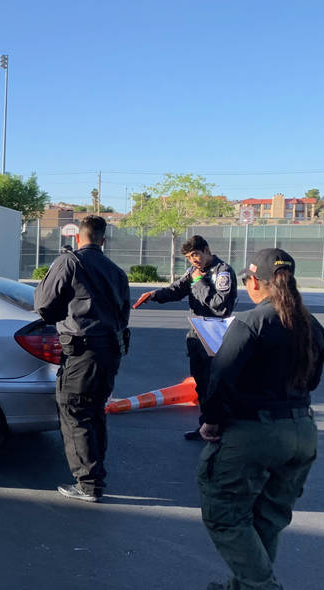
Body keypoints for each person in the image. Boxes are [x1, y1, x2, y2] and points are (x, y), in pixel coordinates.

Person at [197, 248, 324, 590]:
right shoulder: (311, 325)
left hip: (255, 432)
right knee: (267, 516)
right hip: (302, 430)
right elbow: (314, 380)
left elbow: (220, 379)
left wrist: (212, 421)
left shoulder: (252, 322)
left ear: (254, 282)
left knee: (224, 513)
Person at [34, 215, 130, 503]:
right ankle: (95, 474)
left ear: (79, 237)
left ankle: (88, 484)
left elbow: (44, 306)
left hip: (82, 351)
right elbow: (123, 316)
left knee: (75, 412)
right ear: (103, 239)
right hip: (110, 350)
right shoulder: (116, 272)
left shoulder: (70, 262)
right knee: (94, 411)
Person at [133, 235, 237, 440]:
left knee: (214, 384)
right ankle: (206, 425)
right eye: (190, 257)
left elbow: (219, 305)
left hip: (216, 333)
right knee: (201, 383)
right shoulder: (194, 272)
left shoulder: (222, 272)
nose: (193, 260)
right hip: (197, 333)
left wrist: (199, 281)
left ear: (207, 250)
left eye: (196, 254)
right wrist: (154, 295)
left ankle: (220, 426)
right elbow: (176, 290)